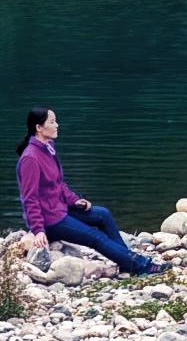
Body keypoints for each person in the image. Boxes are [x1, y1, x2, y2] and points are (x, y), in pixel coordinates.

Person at [15, 107, 159, 275]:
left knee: (103, 214)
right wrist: (39, 230)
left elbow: (58, 183)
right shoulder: (30, 158)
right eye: (52, 122)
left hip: (59, 209)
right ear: (39, 128)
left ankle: (128, 261)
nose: (57, 125)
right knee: (95, 237)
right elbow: (29, 198)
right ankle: (140, 265)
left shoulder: (48, 148)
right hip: (49, 220)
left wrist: (74, 201)